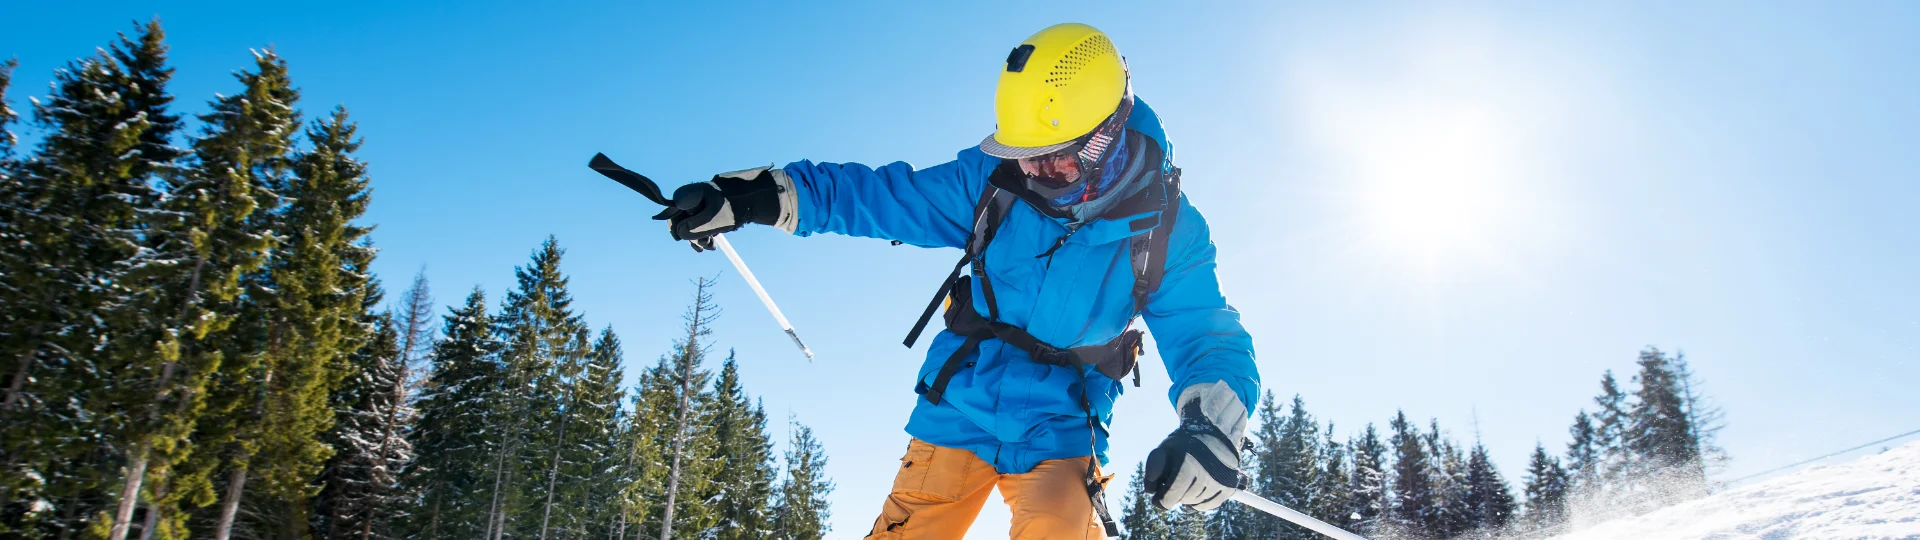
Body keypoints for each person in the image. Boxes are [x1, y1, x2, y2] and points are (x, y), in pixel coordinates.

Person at [652, 23, 1260, 539]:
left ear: (1108, 134)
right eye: (1026, 154)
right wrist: (759, 195)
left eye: (1057, 155)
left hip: (1064, 421)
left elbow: (1205, 333)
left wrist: (1210, 427)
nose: (1037, 171)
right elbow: (886, 196)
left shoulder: (1167, 228)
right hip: (961, 401)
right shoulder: (994, 183)